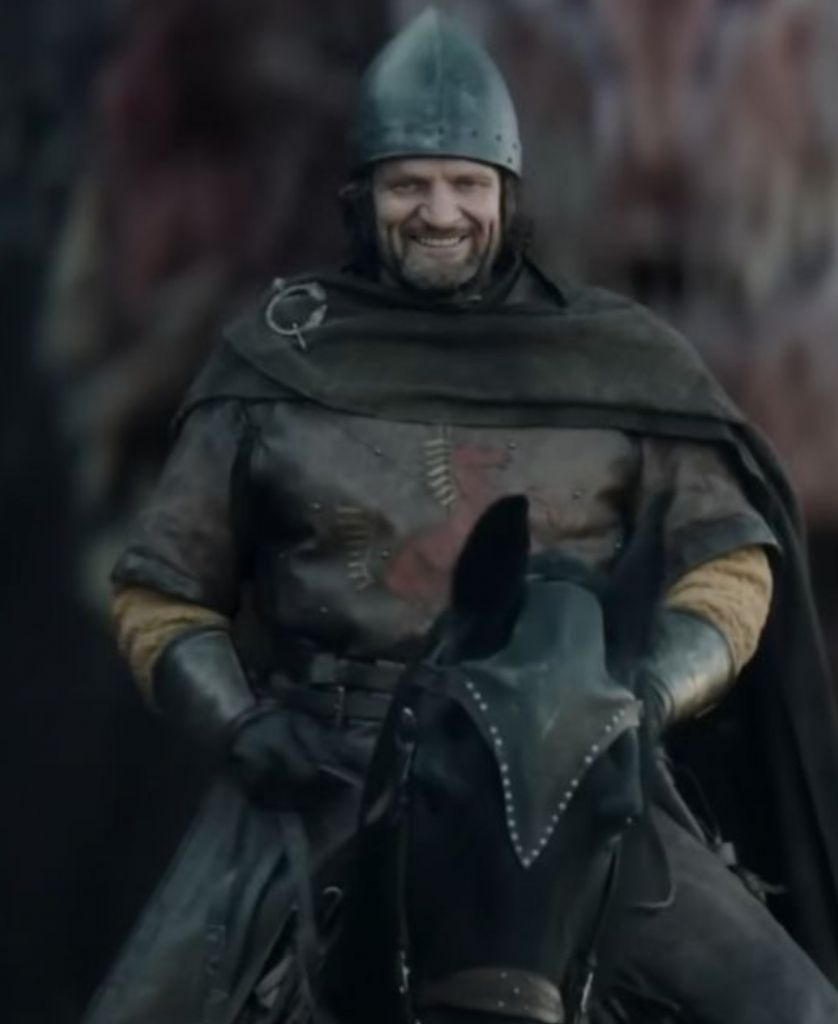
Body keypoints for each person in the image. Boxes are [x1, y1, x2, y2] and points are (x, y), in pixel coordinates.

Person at [90, 9, 838, 1023]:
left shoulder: (616, 361)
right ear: (362, 199)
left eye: (465, 184)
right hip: (325, 770)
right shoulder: (275, 361)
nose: (439, 213)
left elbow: (731, 566)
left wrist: (648, 696)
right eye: (409, 185)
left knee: (796, 1011)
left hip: (569, 784)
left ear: (507, 196)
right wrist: (240, 724)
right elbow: (162, 591)